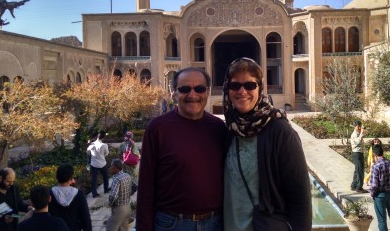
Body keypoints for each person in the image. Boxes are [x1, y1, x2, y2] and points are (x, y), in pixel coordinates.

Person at [222, 57, 312, 231]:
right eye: (235, 85)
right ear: (227, 89)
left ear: (260, 88)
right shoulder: (229, 130)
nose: (242, 91)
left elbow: (300, 196)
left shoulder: (279, 130)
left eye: (249, 85)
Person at [136, 67, 227, 231]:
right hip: (172, 224)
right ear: (175, 93)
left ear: (207, 92)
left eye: (199, 89)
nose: (193, 95)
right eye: (185, 89)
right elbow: (146, 186)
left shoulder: (219, 128)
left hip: (215, 223)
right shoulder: (158, 128)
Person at [49, 164, 92, 231]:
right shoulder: (79, 194)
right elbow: (86, 219)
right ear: (71, 178)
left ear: (57, 177)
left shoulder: (50, 193)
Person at [369, 144, 390, 231]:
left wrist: (372, 194)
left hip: (380, 196)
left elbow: (374, 185)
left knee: (382, 220)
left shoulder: (376, 166)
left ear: (374, 154)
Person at [106, 159, 136, 231]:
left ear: (115, 168)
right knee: (123, 229)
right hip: (128, 207)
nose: (110, 168)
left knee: (110, 228)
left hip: (119, 210)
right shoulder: (127, 175)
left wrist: (109, 203)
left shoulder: (116, 179)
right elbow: (134, 187)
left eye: (111, 167)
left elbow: (113, 196)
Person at [86, 130, 110, 198]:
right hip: (102, 163)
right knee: (105, 177)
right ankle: (106, 189)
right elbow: (106, 154)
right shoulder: (104, 145)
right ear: (103, 137)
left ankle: (94, 193)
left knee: (94, 179)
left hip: (94, 164)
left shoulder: (92, 144)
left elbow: (88, 153)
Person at [350, 120, 367, 193]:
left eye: (360, 126)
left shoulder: (359, 133)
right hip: (357, 153)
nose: (359, 128)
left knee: (357, 170)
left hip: (360, 153)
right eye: (358, 126)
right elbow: (356, 142)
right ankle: (359, 187)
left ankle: (354, 185)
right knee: (360, 171)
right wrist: (361, 135)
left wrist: (363, 131)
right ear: (354, 127)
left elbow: (365, 133)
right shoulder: (354, 134)